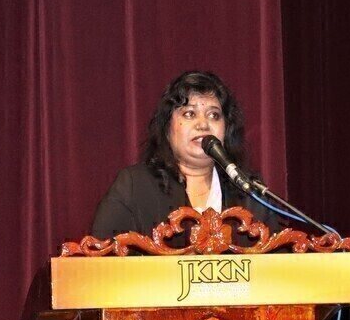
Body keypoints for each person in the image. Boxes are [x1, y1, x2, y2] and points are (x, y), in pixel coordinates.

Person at [91, 70, 284, 239]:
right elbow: (101, 262)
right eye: (189, 114)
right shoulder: (135, 187)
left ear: (226, 131)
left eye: (214, 115)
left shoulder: (249, 193)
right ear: (167, 129)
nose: (203, 124)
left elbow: (279, 263)